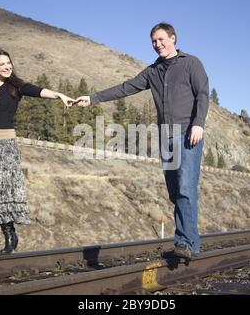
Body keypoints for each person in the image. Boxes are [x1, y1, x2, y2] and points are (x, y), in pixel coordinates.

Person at [75, 23, 209, 259]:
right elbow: (125, 88)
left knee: (186, 188)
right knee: (175, 191)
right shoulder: (152, 72)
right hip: (165, 137)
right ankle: (187, 243)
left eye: (161, 39)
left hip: (188, 134)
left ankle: (186, 243)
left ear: (173, 38)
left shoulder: (191, 63)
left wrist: (198, 122)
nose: (157, 44)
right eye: (154, 41)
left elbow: (203, 94)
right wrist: (93, 98)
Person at [0, 48, 74, 257]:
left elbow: (38, 91)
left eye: (9, 63)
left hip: (7, 145)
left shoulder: (15, 87)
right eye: (2, 64)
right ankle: (6, 233)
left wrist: (58, 95)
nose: (7, 67)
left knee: (2, 189)